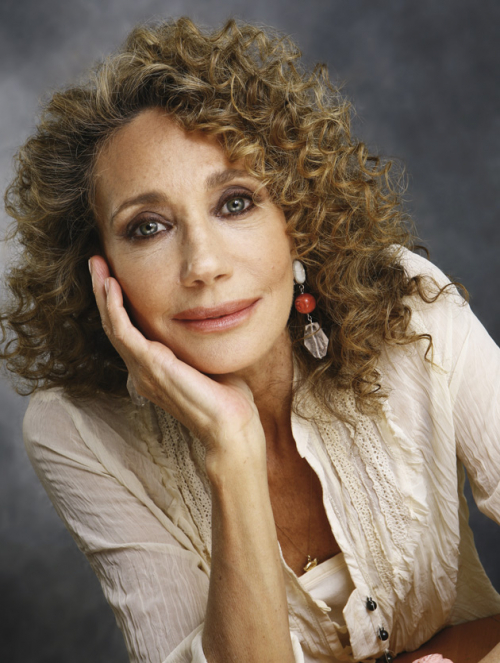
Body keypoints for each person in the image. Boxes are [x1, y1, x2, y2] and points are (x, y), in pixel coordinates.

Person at [1, 16, 499, 663]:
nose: (203, 265)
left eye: (235, 202)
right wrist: (232, 446)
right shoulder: (76, 429)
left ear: (298, 215)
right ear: (100, 269)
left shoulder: (407, 304)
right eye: (148, 227)